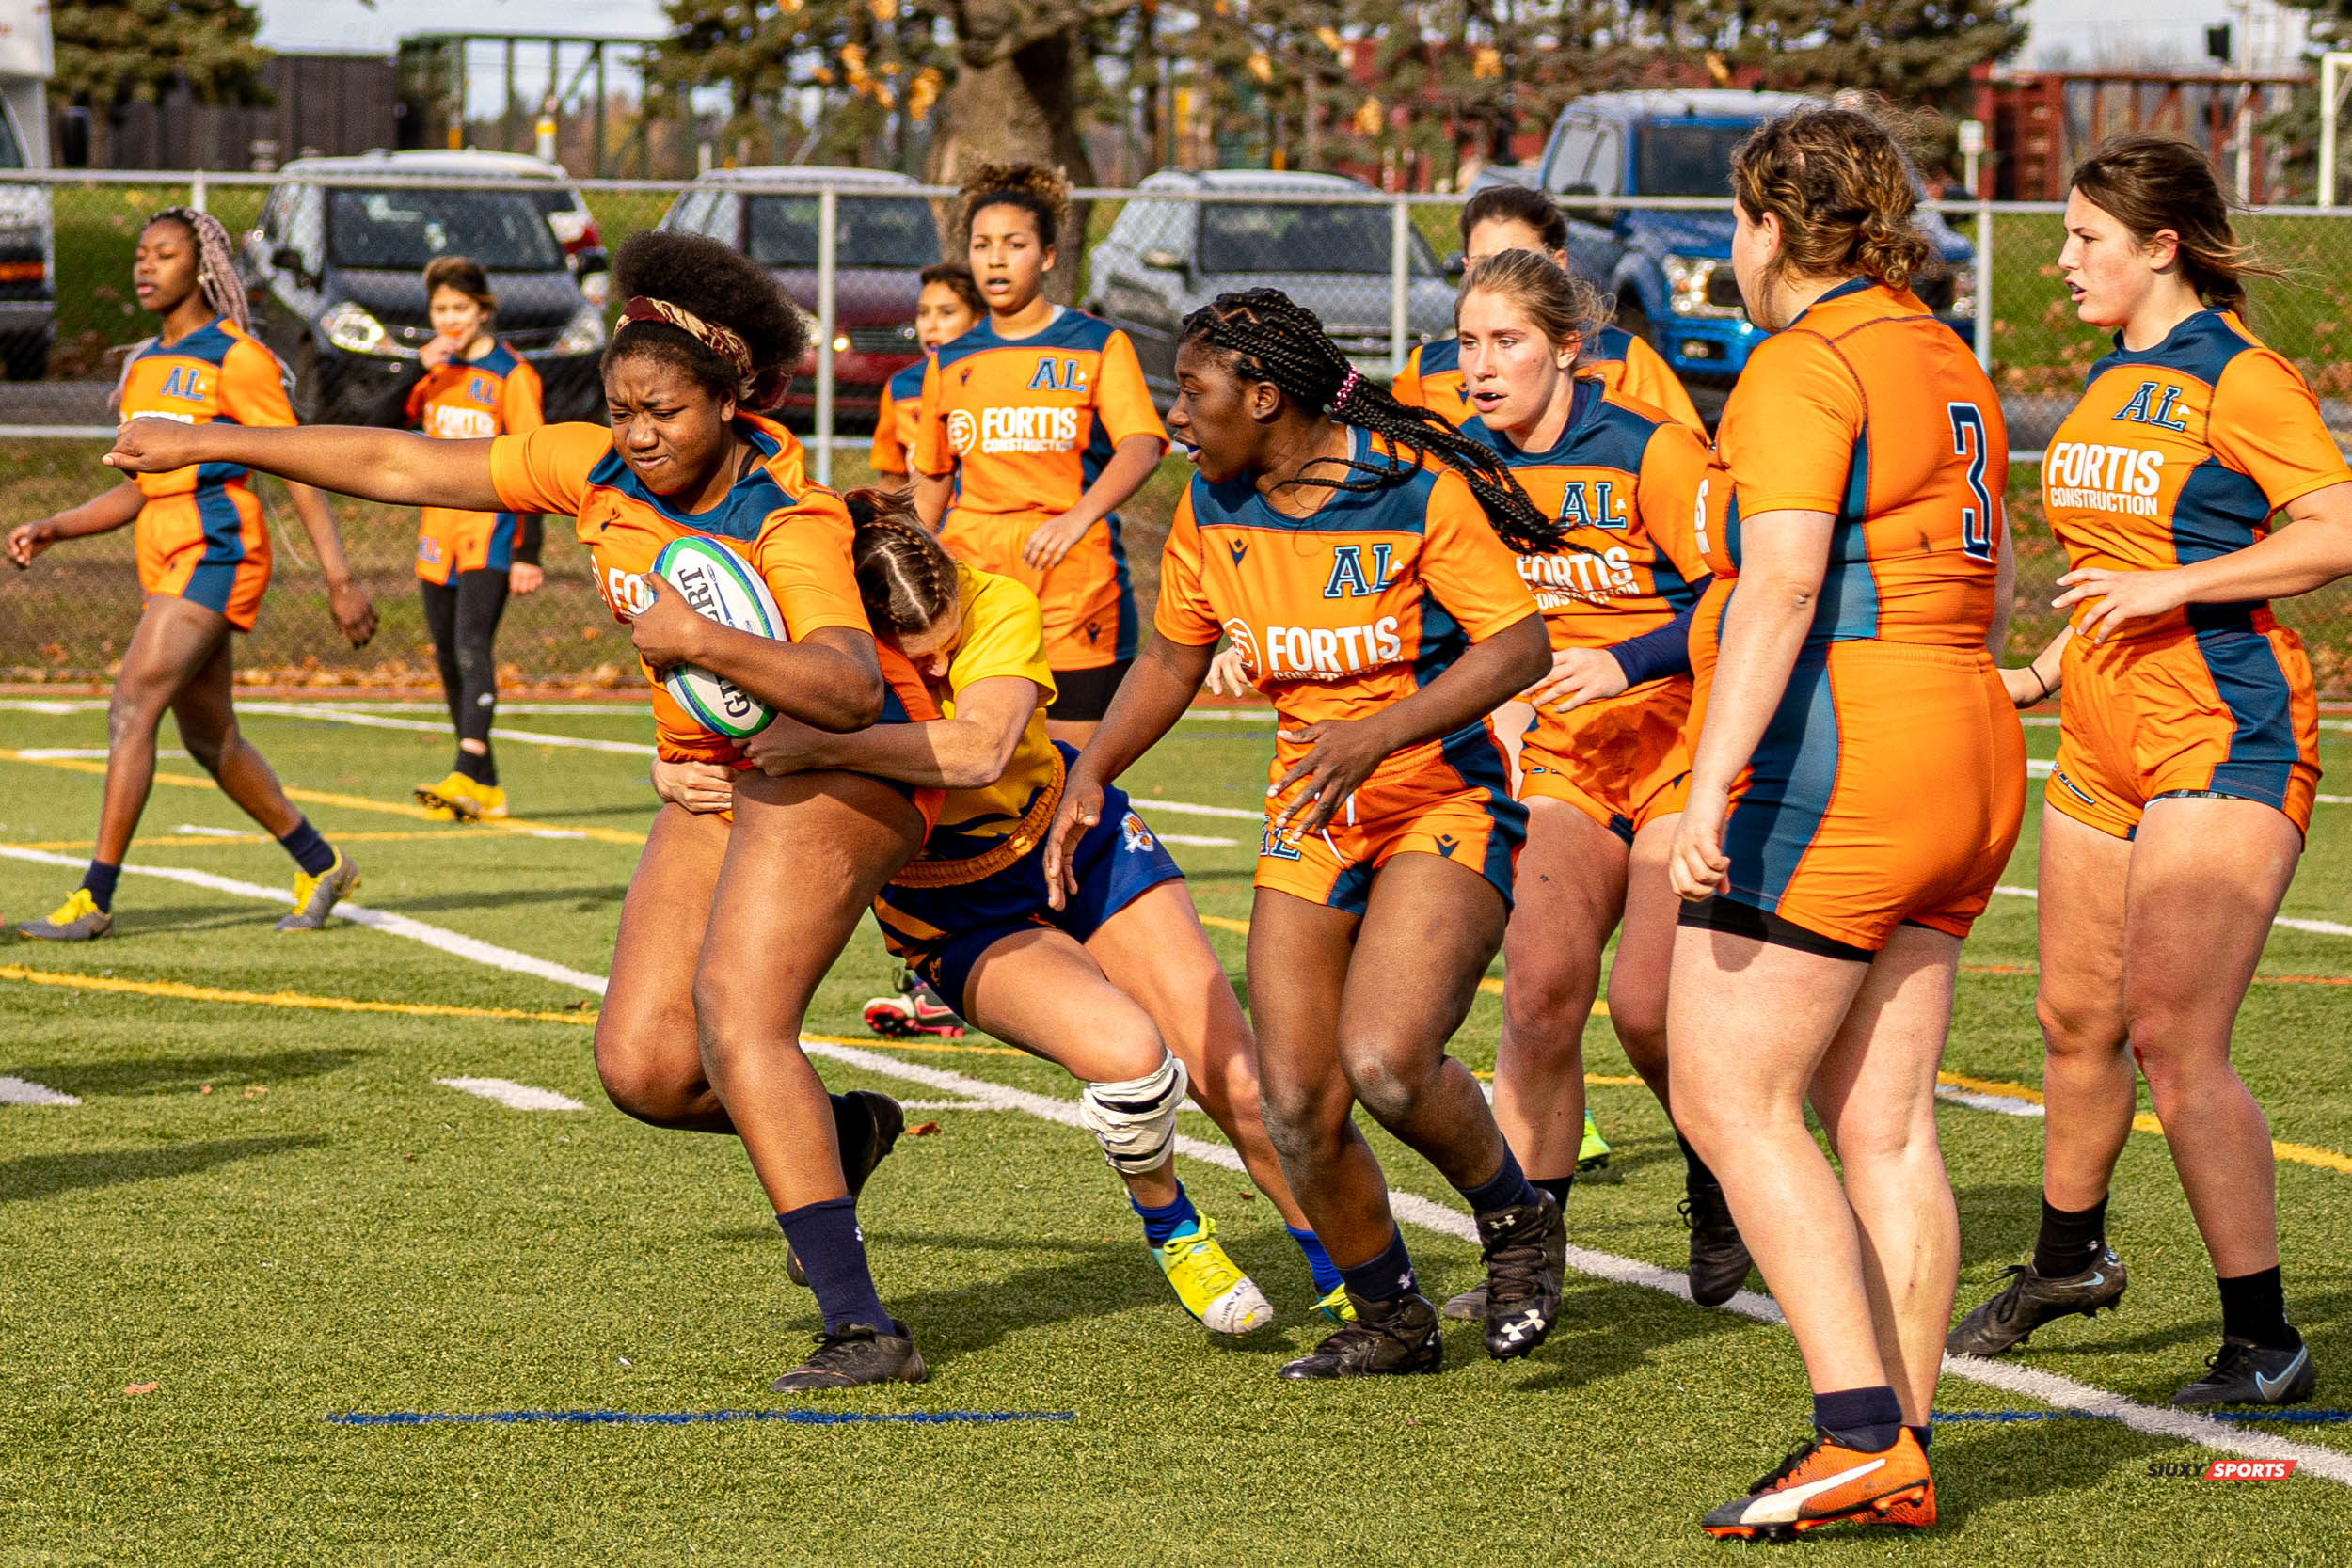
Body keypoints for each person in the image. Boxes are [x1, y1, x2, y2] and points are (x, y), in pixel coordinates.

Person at [103, 230, 944, 1393]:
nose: (639, 434)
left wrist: (702, 638)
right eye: (621, 407)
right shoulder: (593, 464)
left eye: (664, 411)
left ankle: (864, 1327)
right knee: (645, 1067)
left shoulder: (786, 516)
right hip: (717, 777)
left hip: (841, 770)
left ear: (729, 398)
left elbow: (849, 687)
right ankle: (845, 1134)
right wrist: (211, 441)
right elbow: (402, 465)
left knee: (737, 1020)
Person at [659, 499, 1357, 1328]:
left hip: (1072, 837)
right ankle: (1172, 1224)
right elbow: (700, 723)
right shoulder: (818, 650)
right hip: (951, 905)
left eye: (950, 640)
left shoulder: (999, 602)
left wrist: (826, 746)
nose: (945, 663)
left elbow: (977, 747)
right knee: (1129, 1061)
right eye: (922, 658)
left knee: (1235, 1074)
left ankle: (1348, 1274)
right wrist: (672, 768)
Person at [1045, 286, 1569, 1381]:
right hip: (1313, 814)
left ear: (1266, 395)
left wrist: (1375, 732)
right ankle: (1392, 1314)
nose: (1175, 416)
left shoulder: (1408, 487)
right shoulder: (1213, 505)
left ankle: (1517, 1224)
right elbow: (1172, 659)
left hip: (1441, 797)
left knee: (1383, 1059)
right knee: (1292, 1099)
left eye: (1191, 393)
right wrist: (1087, 771)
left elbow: (1517, 648)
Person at [1947, 134, 2352, 1410]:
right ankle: (2069, 1262)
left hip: (2225, 732)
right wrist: (2042, 667)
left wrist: (2175, 584)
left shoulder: (2240, 377)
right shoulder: (2115, 377)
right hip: (2107, 740)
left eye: (2084, 239)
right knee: (2074, 1023)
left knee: (2177, 1038)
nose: (2060, 261)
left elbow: (2335, 527)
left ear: (2161, 244)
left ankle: (2264, 1336)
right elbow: (2117, 559)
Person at [1663, 105, 2023, 1537]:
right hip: (1972, 740)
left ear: (1764, 225)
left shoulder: (1806, 360)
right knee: (1881, 1122)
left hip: (1850, 747)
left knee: (1728, 1093)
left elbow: (1785, 582)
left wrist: (1709, 780)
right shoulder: (1945, 351)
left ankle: (1857, 1430)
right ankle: (1907, 1437)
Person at [1425, 248, 1746, 1327]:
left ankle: (1715, 1180)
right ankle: (1528, 1254)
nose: (1478, 365)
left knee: (1651, 1012)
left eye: (1505, 341)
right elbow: (1446, 608)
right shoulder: (1462, 463)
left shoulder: (1646, 448)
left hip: (1680, 754)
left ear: (1568, 345)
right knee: (1538, 995)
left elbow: (1740, 598)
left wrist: (1627, 661)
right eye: (1466, 343)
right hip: (1564, 759)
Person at [7, 207, 377, 941]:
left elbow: (299, 465)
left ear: (201, 266)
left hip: (220, 554)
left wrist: (339, 577)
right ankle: (321, 861)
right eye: (141, 253)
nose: (145, 266)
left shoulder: (236, 358)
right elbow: (137, 486)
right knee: (211, 738)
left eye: (164, 254)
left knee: (131, 705)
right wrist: (56, 526)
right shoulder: (143, 365)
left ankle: (95, 897)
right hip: (165, 561)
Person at [911, 163, 1168, 748]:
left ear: (1048, 256)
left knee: (1073, 765)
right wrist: (910, 568)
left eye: (1014, 245)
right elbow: (931, 479)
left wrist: (1076, 519)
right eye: (982, 246)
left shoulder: (1098, 343)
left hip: (1072, 575)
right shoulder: (949, 361)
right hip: (974, 575)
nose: (996, 260)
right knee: (973, 753)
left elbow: (1143, 444)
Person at [374, 254, 547, 822]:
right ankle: (487, 787)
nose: (449, 319)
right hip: (437, 531)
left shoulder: (512, 376)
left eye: (460, 308)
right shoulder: (434, 374)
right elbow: (378, 426)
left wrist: (529, 552)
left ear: (483, 310)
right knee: (448, 657)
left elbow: (534, 463)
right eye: (440, 309)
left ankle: (467, 768)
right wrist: (412, 371)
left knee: (474, 644)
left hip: (490, 530)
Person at [1392, 182, 1704, 436]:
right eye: (1486, 264)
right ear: (1465, 268)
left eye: (1521, 259)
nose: (1504, 274)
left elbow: (1686, 463)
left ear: (1559, 264)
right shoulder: (1428, 371)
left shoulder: (1621, 359)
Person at [868, 263, 984, 483]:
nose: (930, 325)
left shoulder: (996, 378)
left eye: (946, 313)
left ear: (978, 320)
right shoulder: (901, 388)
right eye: (923, 313)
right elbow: (892, 480)